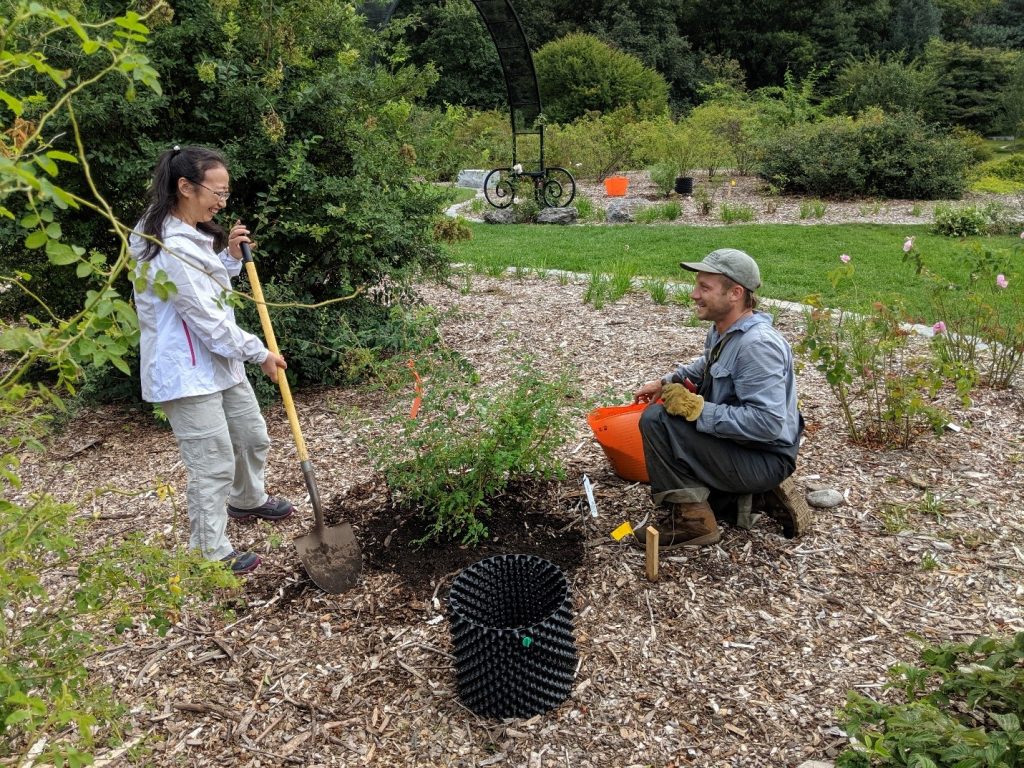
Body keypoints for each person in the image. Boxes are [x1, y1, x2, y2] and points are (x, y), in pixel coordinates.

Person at [130, 145, 295, 575]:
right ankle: (209, 550)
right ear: (185, 187)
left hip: (217, 362)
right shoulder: (167, 242)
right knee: (212, 461)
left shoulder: (187, 231)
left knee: (251, 436)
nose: (222, 202)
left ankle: (246, 499)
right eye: (215, 193)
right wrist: (259, 352)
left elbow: (210, 291)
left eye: (226, 193)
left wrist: (229, 260)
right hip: (186, 370)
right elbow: (204, 317)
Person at [632, 248, 810, 549]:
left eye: (705, 287)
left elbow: (767, 424)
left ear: (735, 293)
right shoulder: (725, 331)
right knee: (669, 429)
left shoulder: (758, 346)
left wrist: (696, 409)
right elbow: (709, 366)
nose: (693, 295)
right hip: (743, 447)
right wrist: (667, 382)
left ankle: (695, 524)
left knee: (657, 422)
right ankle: (748, 498)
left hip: (763, 456)